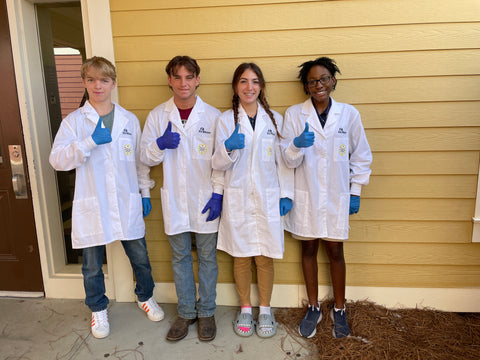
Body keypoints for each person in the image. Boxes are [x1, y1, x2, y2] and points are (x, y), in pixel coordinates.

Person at [49, 56, 164, 339]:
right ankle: (98, 308)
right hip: (93, 202)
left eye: (103, 80)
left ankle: (145, 296)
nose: (97, 85)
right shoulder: (74, 122)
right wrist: (88, 142)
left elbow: (139, 161)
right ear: (84, 82)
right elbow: (57, 160)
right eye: (91, 79)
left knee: (139, 256)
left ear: (113, 83)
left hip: (126, 200)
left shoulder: (127, 120)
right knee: (91, 264)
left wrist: (145, 191)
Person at [281, 57, 372, 339]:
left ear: (333, 81)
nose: (318, 85)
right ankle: (313, 307)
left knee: (335, 251)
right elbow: (284, 158)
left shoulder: (349, 115)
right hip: (305, 196)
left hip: (336, 196)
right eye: (312, 81)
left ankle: (340, 309)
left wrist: (355, 191)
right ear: (305, 87)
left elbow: (361, 156)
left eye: (323, 79)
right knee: (307, 249)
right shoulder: (295, 115)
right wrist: (296, 145)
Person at [140, 56, 222, 342]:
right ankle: (187, 312)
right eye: (177, 77)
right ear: (169, 80)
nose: (183, 83)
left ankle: (207, 311)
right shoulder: (158, 115)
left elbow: (221, 161)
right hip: (175, 199)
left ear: (198, 79)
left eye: (189, 77)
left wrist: (218, 194)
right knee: (180, 257)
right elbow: (144, 157)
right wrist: (159, 145)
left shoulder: (213, 116)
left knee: (208, 258)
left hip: (205, 198)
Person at [212, 63, 294, 338]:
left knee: (265, 256)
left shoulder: (275, 120)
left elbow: (284, 162)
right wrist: (227, 148)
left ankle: (265, 310)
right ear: (236, 86)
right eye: (244, 81)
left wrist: (286, 193)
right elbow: (216, 163)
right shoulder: (225, 120)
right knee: (241, 256)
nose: (249, 87)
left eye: (255, 81)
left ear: (262, 86)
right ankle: (246, 308)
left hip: (267, 196)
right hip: (237, 197)